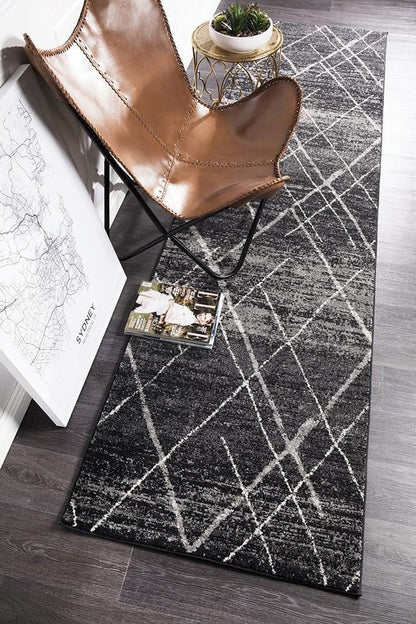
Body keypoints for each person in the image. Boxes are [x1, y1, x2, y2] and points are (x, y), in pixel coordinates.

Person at [135, 289, 214, 327]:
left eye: (205, 317)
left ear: (202, 322)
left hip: (158, 305)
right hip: (163, 301)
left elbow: (166, 319)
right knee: (138, 293)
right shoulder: (191, 314)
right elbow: (178, 307)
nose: (202, 315)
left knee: (136, 297)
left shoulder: (187, 321)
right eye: (205, 313)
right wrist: (186, 295)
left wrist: (171, 305)